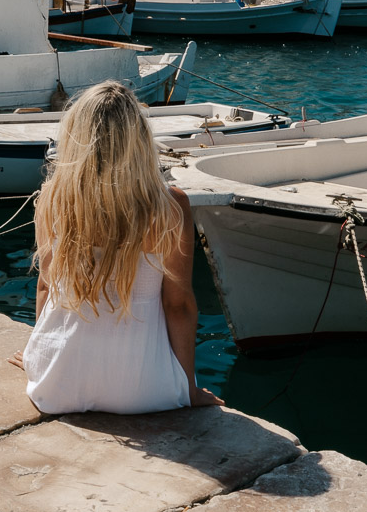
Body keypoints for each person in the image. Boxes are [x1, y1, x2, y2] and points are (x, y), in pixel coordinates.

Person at [12, 81, 223, 414]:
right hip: (143, 390)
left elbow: (45, 287)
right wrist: (189, 390)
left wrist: (38, 354)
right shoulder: (169, 206)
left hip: (55, 385)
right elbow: (178, 304)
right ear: (139, 140)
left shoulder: (53, 198)